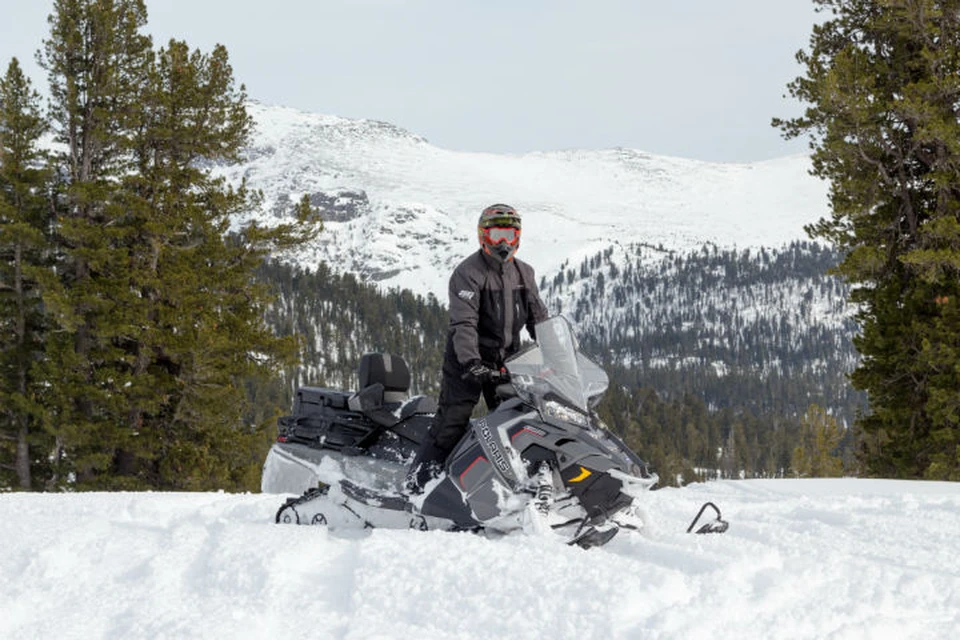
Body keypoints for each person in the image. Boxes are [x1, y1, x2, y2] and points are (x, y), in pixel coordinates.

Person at [404, 203, 549, 495]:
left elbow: (539, 319)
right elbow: (464, 322)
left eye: (509, 233)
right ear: (483, 235)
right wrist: (472, 361)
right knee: (452, 420)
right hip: (466, 360)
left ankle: (520, 486)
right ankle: (418, 486)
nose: (504, 242)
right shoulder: (468, 273)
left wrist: (554, 352)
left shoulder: (524, 274)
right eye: (497, 234)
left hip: (508, 361)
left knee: (518, 421)